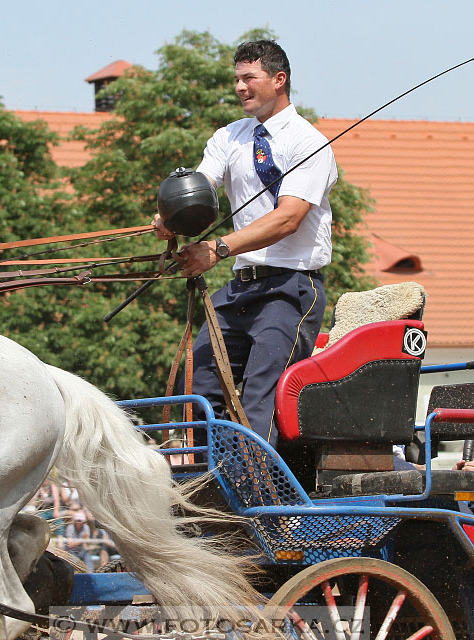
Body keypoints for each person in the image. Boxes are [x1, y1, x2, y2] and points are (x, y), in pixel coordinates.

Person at [153, 40, 337, 446]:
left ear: (278, 79)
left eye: (248, 77)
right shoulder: (228, 137)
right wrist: (171, 218)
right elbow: (200, 193)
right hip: (241, 286)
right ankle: (206, 484)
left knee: (259, 397)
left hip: (290, 289)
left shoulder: (309, 143)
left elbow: (288, 217)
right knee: (200, 383)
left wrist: (216, 249)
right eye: (236, 78)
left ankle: (257, 498)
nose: (239, 86)